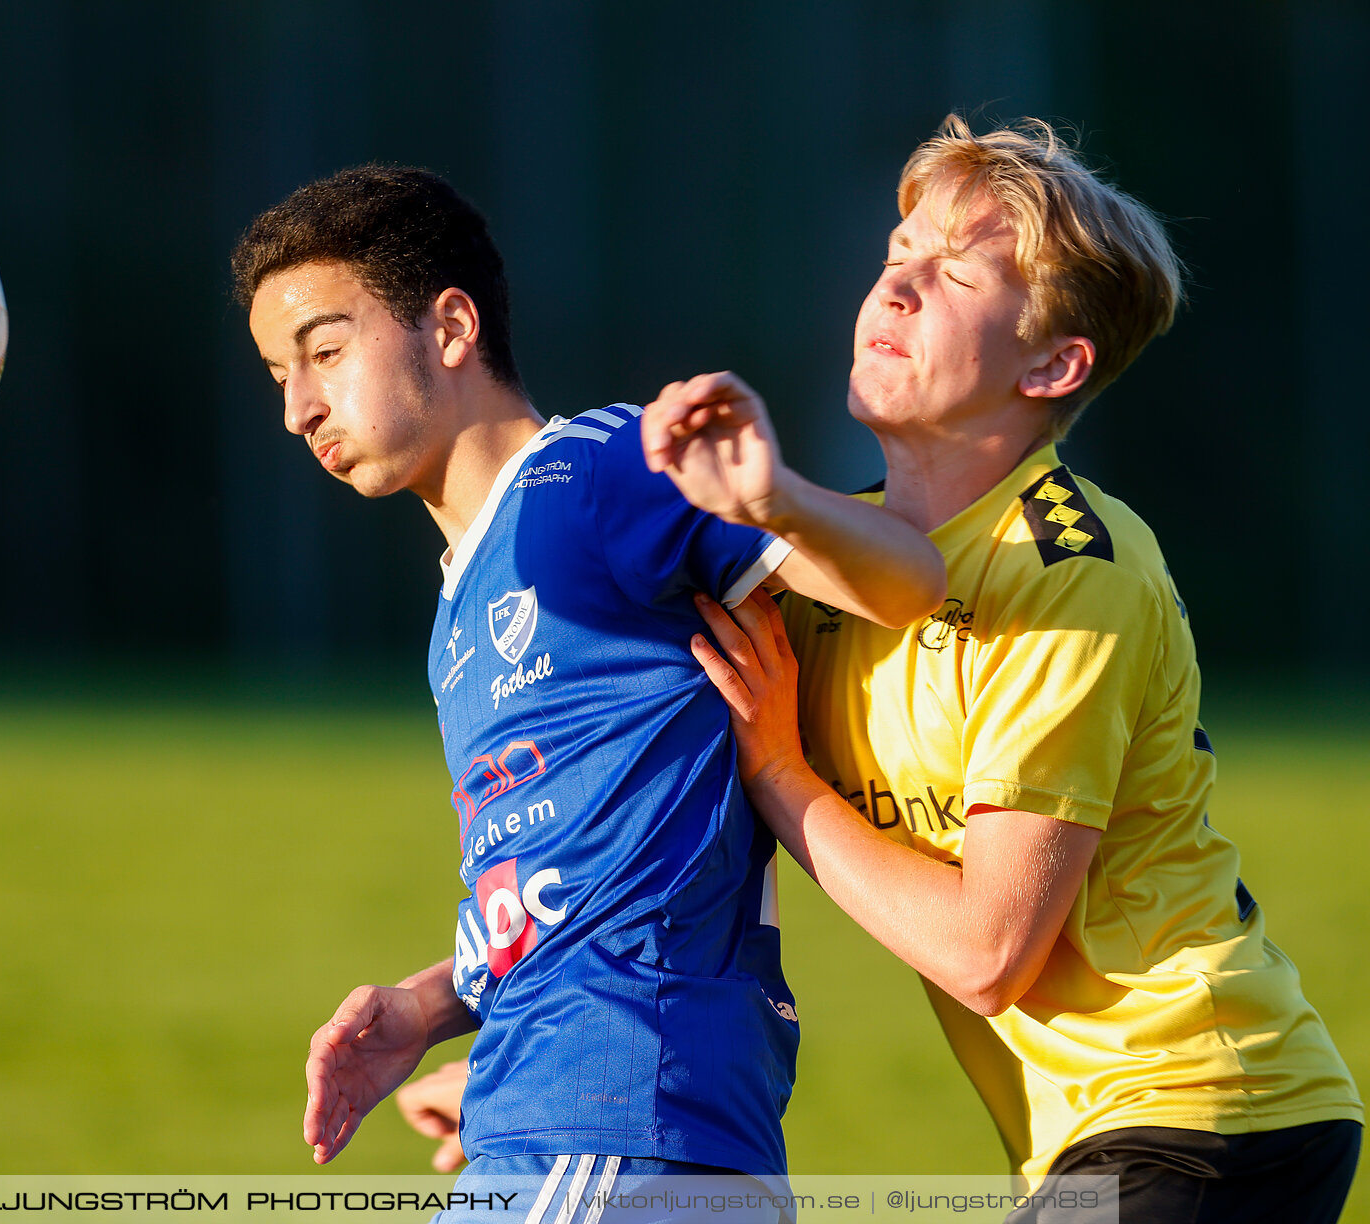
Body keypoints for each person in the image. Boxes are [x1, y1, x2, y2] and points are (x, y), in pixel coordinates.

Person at [648, 116, 1362, 1222]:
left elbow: (988, 952)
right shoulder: (823, 568)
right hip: (1090, 1146)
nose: (896, 289)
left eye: (954, 274)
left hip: (1213, 1115)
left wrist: (783, 774)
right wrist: (532, 1078)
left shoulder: (1073, 567)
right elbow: (669, 854)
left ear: (1054, 364)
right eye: (896, 259)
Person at [231, 165, 946, 1217]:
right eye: (277, 374)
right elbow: (581, 870)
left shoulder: (598, 474)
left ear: (452, 327)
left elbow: (906, 583)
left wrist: (776, 499)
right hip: (566, 1128)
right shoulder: (460, 603)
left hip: (616, 1119)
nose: (297, 407)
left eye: (325, 352)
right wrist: (428, 1006)